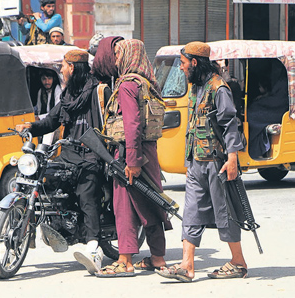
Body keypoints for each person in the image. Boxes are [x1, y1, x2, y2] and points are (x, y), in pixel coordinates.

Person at [158, 41, 247, 283]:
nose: (182, 69)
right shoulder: (197, 87)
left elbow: (230, 124)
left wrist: (232, 158)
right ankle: (187, 265)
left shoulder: (219, 88)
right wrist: (189, 162)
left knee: (224, 211)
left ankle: (238, 261)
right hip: (196, 162)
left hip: (217, 162)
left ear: (195, 63)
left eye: (184, 64)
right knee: (192, 211)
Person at [16, 50, 108, 275]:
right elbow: (51, 121)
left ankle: (94, 247)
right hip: (67, 154)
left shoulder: (97, 91)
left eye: (64, 66)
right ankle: (60, 227)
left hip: (90, 155)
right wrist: (30, 126)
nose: (62, 71)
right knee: (49, 187)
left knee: (88, 198)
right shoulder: (68, 96)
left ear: (73, 68)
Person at [91, 37, 172, 277]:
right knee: (151, 202)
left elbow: (132, 124)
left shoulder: (127, 85)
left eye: (118, 55)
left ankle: (124, 261)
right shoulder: (147, 83)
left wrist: (132, 161)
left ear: (129, 56)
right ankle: (157, 257)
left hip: (129, 152)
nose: (115, 60)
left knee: (123, 206)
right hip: (148, 151)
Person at [35, 69, 62, 145]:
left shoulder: (57, 90)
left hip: (54, 121)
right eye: (44, 79)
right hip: (44, 119)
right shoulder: (41, 91)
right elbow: (39, 109)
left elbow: (56, 112)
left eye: (49, 79)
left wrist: (40, 117)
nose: (47, 82)